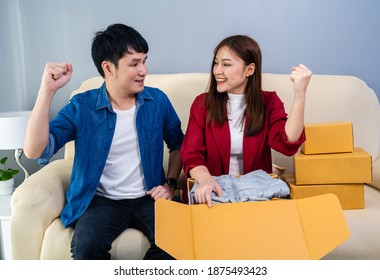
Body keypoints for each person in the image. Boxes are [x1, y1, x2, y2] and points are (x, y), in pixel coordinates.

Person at [23, 23, 184, 260]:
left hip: (149, 197)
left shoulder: (157, 101)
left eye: (144, 61)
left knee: (180, 242)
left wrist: (170, 184)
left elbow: (178, 144)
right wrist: (46, 92)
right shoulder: (82, 106)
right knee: (86, 248)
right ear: (108, 67)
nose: (144, 70)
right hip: (101, 202)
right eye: (134, 63)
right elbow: (35, 150)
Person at [180, 35, 312, 206]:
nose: (217, 71)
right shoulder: (202, 104)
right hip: (214, 194)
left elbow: (287, 143)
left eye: (226, 64)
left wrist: (300, 94)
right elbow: (192, 154)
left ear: (249, 70)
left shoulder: (269, 102)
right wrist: (206, 180)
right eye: (216, 63)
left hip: (256, 196)